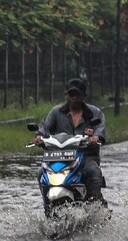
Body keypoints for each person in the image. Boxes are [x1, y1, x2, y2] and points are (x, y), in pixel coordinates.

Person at [33, 79, 107, 212]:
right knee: (40, 173)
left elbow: (100, 132)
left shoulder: (95, 113)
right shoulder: (56, 112)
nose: (74, 97)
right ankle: (47, 207)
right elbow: (44, 129)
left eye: (77, 94)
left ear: (84, 96)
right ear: (66, 95)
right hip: (58, 158)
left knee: (94, 171)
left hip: (86, 157)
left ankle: (95, 206)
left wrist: (95, 138)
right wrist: (39, 138)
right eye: (71, 94)